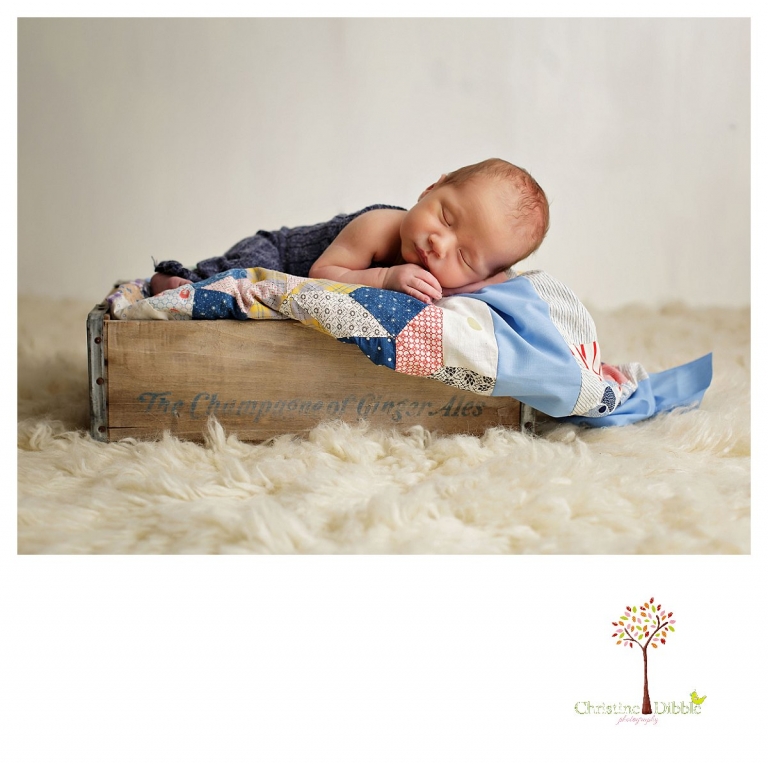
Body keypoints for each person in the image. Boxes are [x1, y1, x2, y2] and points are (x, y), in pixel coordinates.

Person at [149, 158, 549, 304]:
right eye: (445, 217)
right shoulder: (381, 227)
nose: (438, 243)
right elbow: (320, 276)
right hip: (285, 256)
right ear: (430, 188)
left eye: (463, 257)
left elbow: (490, 282)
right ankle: (174, 280)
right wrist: (386, 277)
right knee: (241, 278)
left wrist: (480, 280)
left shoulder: (461, 274)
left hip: (300, 279)